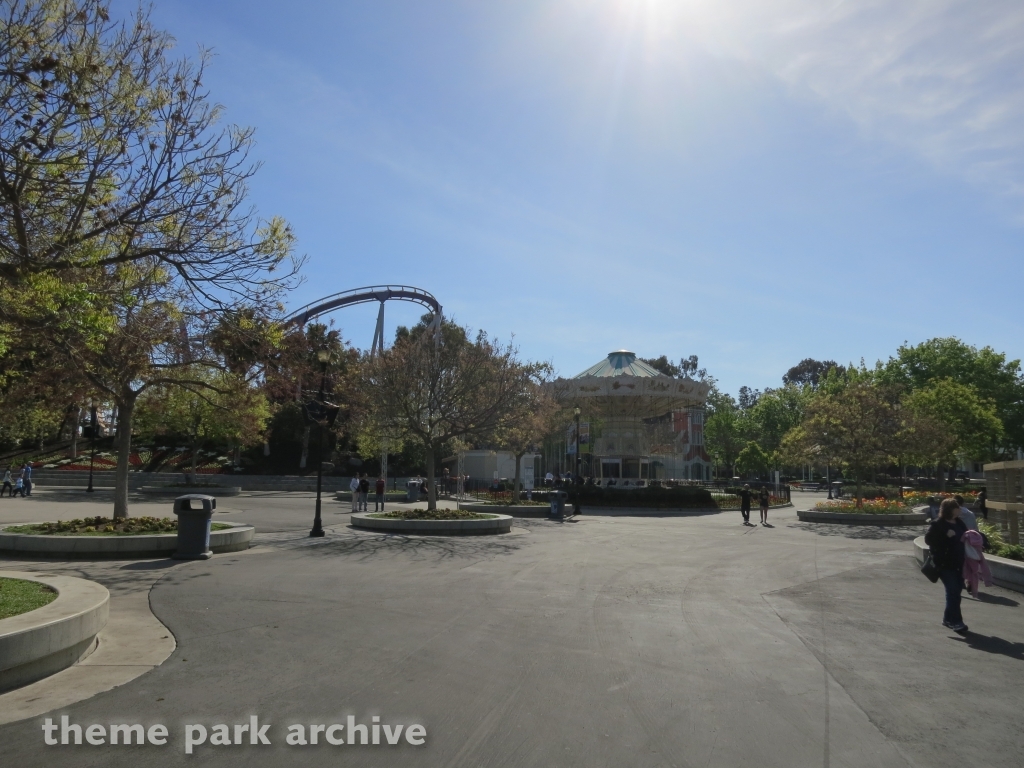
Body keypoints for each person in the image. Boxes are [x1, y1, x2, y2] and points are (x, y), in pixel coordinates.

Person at [925, 498, 969, 634]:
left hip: (959, 563)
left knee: (956, 593)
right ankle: (957, 622)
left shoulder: (959, 523)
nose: (960, 509)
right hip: (945, 564)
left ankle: (947, 618)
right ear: (950, 509)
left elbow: (966, 536)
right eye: (957, 507)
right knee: (952, 591)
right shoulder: (938, 524)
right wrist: (945, 536)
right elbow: (928, 540)